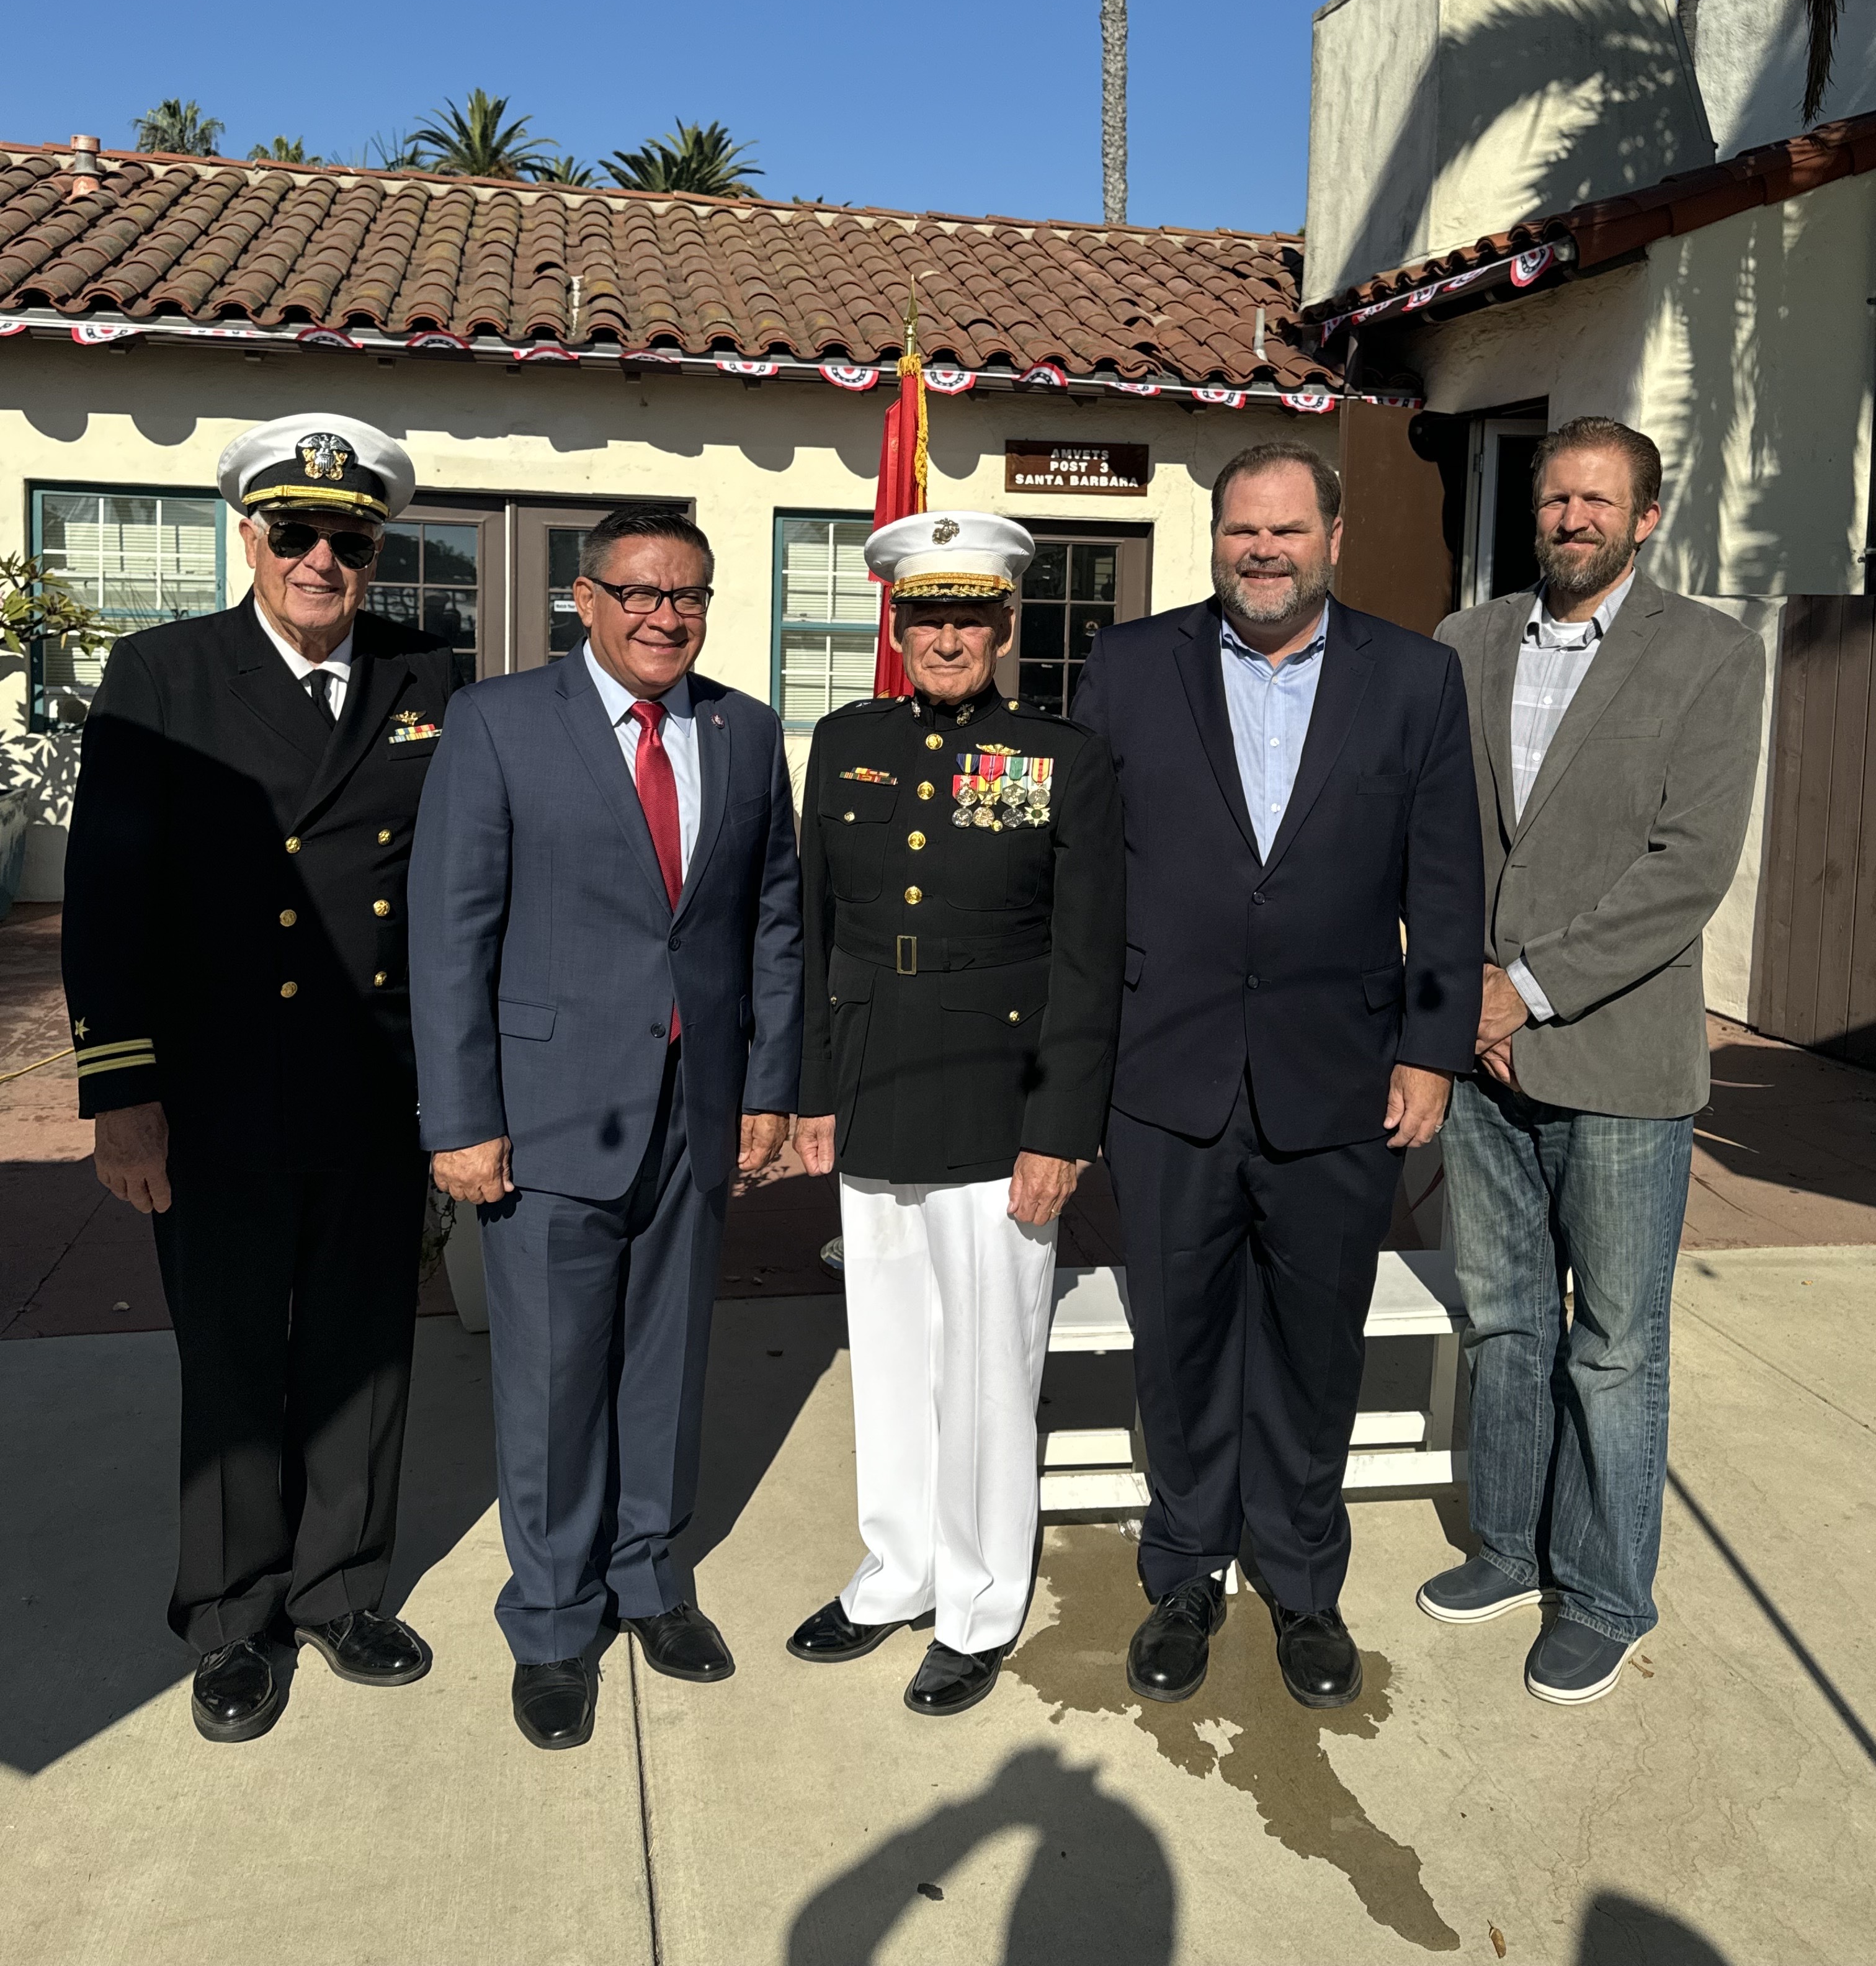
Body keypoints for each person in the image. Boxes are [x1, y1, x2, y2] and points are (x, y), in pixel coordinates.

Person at [62, 413, 456, 1743]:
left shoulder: (427, 675)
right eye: (296, 532)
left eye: (350, 538)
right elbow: (106, 897)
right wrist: (123, 1094)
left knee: (363, 1353)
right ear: (250, 536)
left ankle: (344, 1588)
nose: (323, 559)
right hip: (217, 1094)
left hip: (373, 1088)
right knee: (233, 1363)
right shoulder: (166, 673)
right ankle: (232, 1617)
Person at [1073, 440, 1483, 1710]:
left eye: (1287, 531)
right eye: (1241, 530)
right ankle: (1187, 1569)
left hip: (1340, 1081)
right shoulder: (1130, 666)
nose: (1262, 551)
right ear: (1216, 539)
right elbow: (1088, 884)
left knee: (1314, 1350)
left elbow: (1446, 882)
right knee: (1182, 1344)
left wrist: (1430, 1050)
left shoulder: (1415, 680)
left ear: (1335, 540)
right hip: (1168, 1074)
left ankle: (1303, 1582)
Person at [408, 505, 802, 1751]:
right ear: (585, 599)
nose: (662, 614)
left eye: (686, 593)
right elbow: (451, 932)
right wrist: (461, 1119)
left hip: (694, 1113)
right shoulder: (499, 722)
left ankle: (646, 1577)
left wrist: (768, 1089)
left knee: (666, 1365)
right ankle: (556, 1619)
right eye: (638, 591)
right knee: (549, 1383)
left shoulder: (743, 729)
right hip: (545, 1115)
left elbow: (772, 923)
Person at [1421, 418, 1764, 1705]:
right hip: (1477, 1056)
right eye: (1556, 497)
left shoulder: (1713, 658)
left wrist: (1528, 991)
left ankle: (1608, 1592)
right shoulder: (1467, 644)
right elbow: (1440, 833)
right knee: (1506, 1326)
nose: (1570, 517)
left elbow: (1688, 865)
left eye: (1597, 500)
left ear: (1646, 518)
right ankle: (1508, 1547)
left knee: (1614, 1347)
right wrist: (1461, 996)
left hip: (1616, 1062)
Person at [786, 511, 1124, 1718]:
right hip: (875, 1089)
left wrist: (1062, 1130)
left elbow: (1090, 963)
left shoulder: (1060, 759)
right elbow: (819, 931)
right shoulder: (845, 742)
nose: (946, 636)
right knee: (890, 1354)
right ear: (896, 623)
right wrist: (813, 1097)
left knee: (988, 1368)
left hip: (1003, 1106)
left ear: (1005, 624)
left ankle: (979, 1600)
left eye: (968, 615)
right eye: (925, 615)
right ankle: (899, 1568)